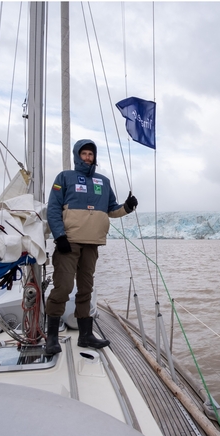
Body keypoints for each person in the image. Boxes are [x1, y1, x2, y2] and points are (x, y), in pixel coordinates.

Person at [44, 139, 138, 355]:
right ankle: (51, 337)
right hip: (69, 242)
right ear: (77, 155)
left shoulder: (103, 182)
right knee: (64, 287)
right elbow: (54, 208)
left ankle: (85, 335)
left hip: (92, 243)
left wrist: (127, 207)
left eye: (91, 154)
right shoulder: (64, 178)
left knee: (86, 289)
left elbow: (112, 209)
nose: (88, 157)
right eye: (84, 153)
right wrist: (59, 236)